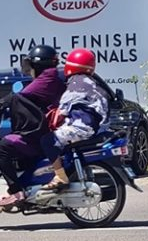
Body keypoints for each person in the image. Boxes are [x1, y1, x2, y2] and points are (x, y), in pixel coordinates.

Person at [0, 45, 65, 208]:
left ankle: (16, 191)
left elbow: (18, 97)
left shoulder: (47, 78)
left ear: (37, 64)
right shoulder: (49, 78)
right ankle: (32, 190)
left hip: (37, 134)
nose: (28, 68)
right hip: (44, 132)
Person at [41, 48, 111, 191]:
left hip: (82, 129)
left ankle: (60, 175)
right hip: (98, 128)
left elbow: (62, 111)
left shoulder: (75, 84)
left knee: (47, 140)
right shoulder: (92, 82)